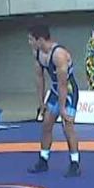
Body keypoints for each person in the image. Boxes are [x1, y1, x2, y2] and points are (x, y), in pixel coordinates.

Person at [26, 23, 82, 177]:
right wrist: (41, 103)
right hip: (55, 90)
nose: (29, 42)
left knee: (67, 126)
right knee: (46, 124)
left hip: (68, 91)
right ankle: (43, 160)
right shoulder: (37, 53)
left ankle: (75, 163)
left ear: (40, 39)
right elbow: (39, 78)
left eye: (31, 39)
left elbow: (63, 84)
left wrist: (62, 109)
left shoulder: (59, 55)